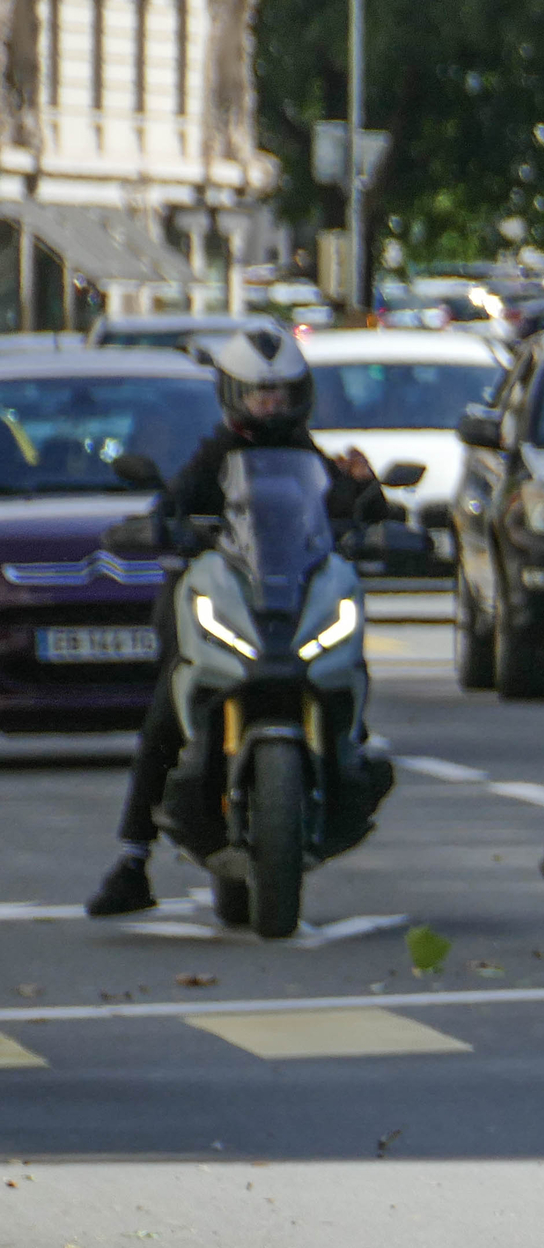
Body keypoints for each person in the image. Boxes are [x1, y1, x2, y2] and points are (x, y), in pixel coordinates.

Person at [85, 327, 384, 918]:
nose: (270, 405)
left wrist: (368, 495)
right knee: (168, 708)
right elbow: (170, 507)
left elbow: (345, 511)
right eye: (258, 394)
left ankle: (347, 757)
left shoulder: (307, 455)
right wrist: (161, 525)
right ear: (233, 394)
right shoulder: (215, 453)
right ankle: (132, 859)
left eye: (281, 393)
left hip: (291, 599)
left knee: (344, 663)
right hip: (224, 597)